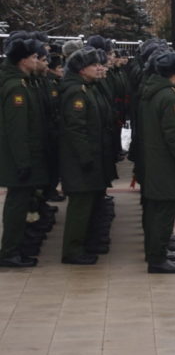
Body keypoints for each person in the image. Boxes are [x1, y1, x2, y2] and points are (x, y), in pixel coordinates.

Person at [139, 50, 175, 273]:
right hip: (166, 164)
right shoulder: (170, 97)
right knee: (164, 213)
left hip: (153, 160)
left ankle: (155, 252)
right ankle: (158, 258)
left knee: (155, 211)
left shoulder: (151, 92)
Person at [57, 47, 111, 264]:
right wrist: (86, 157)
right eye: (94, 65)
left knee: (87, 203)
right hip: (79, 160)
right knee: (80, 205)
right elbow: (76, 129)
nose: (99, 68)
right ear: (81, 69)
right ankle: (73, 251)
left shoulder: (86, 88)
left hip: (88, 157)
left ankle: (81, 245)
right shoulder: (76, 92)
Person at [0, 37, 51, 267]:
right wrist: (23, 162)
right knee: (17, 204)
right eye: (33, 57)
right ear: (22, 60)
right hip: (18, 158)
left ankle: (15, 248)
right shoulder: (16, 88)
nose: (37, 60)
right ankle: (10, 251)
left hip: (24, 156)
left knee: (21, 203)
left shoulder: (24, 83)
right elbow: (17, 130)